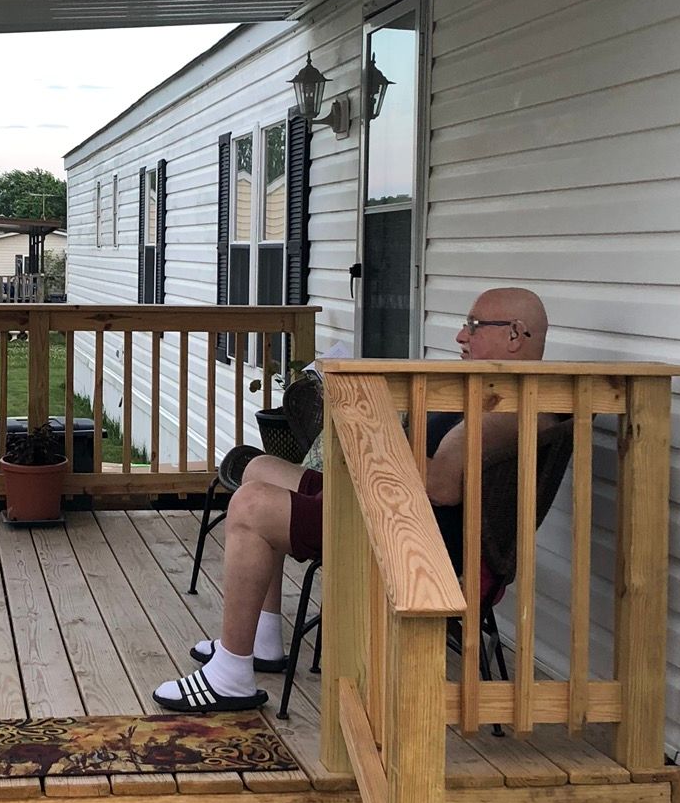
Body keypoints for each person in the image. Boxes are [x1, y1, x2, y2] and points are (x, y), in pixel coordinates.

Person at [153, 287, 553, 712]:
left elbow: (440, 485)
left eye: (473, 326)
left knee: (252, 507)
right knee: (262, 468)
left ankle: (230, 675)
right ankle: (261, 640)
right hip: (385, 504)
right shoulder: (491, 390)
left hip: (408, 539)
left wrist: (370, 420)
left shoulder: (514, 404)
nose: (460, 336)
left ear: (515, 334)